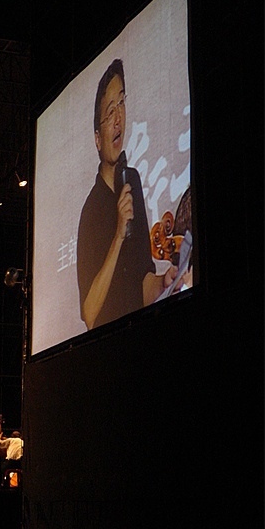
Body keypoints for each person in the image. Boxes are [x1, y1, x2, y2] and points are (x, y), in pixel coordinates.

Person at [77, 59, 182, 330]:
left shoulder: (131, 180)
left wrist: (163, 282)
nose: (118, 119)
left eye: (121, 104)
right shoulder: (90, 211)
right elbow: (90, 314)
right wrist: (118, 236)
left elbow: (142, 284)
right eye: (110, 111)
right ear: (97, 139)